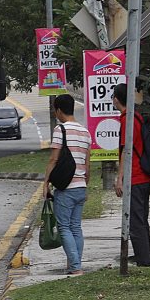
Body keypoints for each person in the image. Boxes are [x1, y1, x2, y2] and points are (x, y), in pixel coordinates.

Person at [42, 94, 91, 276]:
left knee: (64, 227)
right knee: (75, 227)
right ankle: (75, 263)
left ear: (59, 110)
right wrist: (86, 184)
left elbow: (54, 159)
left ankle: (75, 267)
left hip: (66, 187)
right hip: (80, 186)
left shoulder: (60, 130)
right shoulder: (85, 132)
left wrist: (46, 182)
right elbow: (87, 163)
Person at [112, 83, 150, 267]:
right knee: (141, 221)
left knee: (136, 224)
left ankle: (144, 263)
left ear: (116, 99)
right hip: (144, 177)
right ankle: (145, 260)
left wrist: (119, 178)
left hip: (135, 177)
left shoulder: (126, 119)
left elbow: (126, 151)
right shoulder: (137, 117)